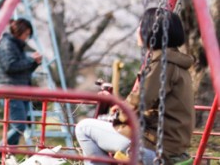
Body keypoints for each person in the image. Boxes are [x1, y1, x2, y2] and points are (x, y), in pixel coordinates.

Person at [75, 8, 194, 165]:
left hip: (155, 148)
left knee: (84, 128)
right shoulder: (177, 64)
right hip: (172, 144)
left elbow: (141, 100)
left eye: (141, 25)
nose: (138, 29)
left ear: (151, 31)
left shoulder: (162, 65)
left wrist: (118, 115)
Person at [0, 18, 43, 147]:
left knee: (19, 126)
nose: (27, 38)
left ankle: (8, 154)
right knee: (19, 126)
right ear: (19, 32)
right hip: (11, 90)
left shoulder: (16, 46)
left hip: (20, 90)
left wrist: (34, 63)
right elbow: (10, 66)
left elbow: (22, 69)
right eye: (26, 34)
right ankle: (0, 150)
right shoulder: (7, 44)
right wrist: (30, 60)